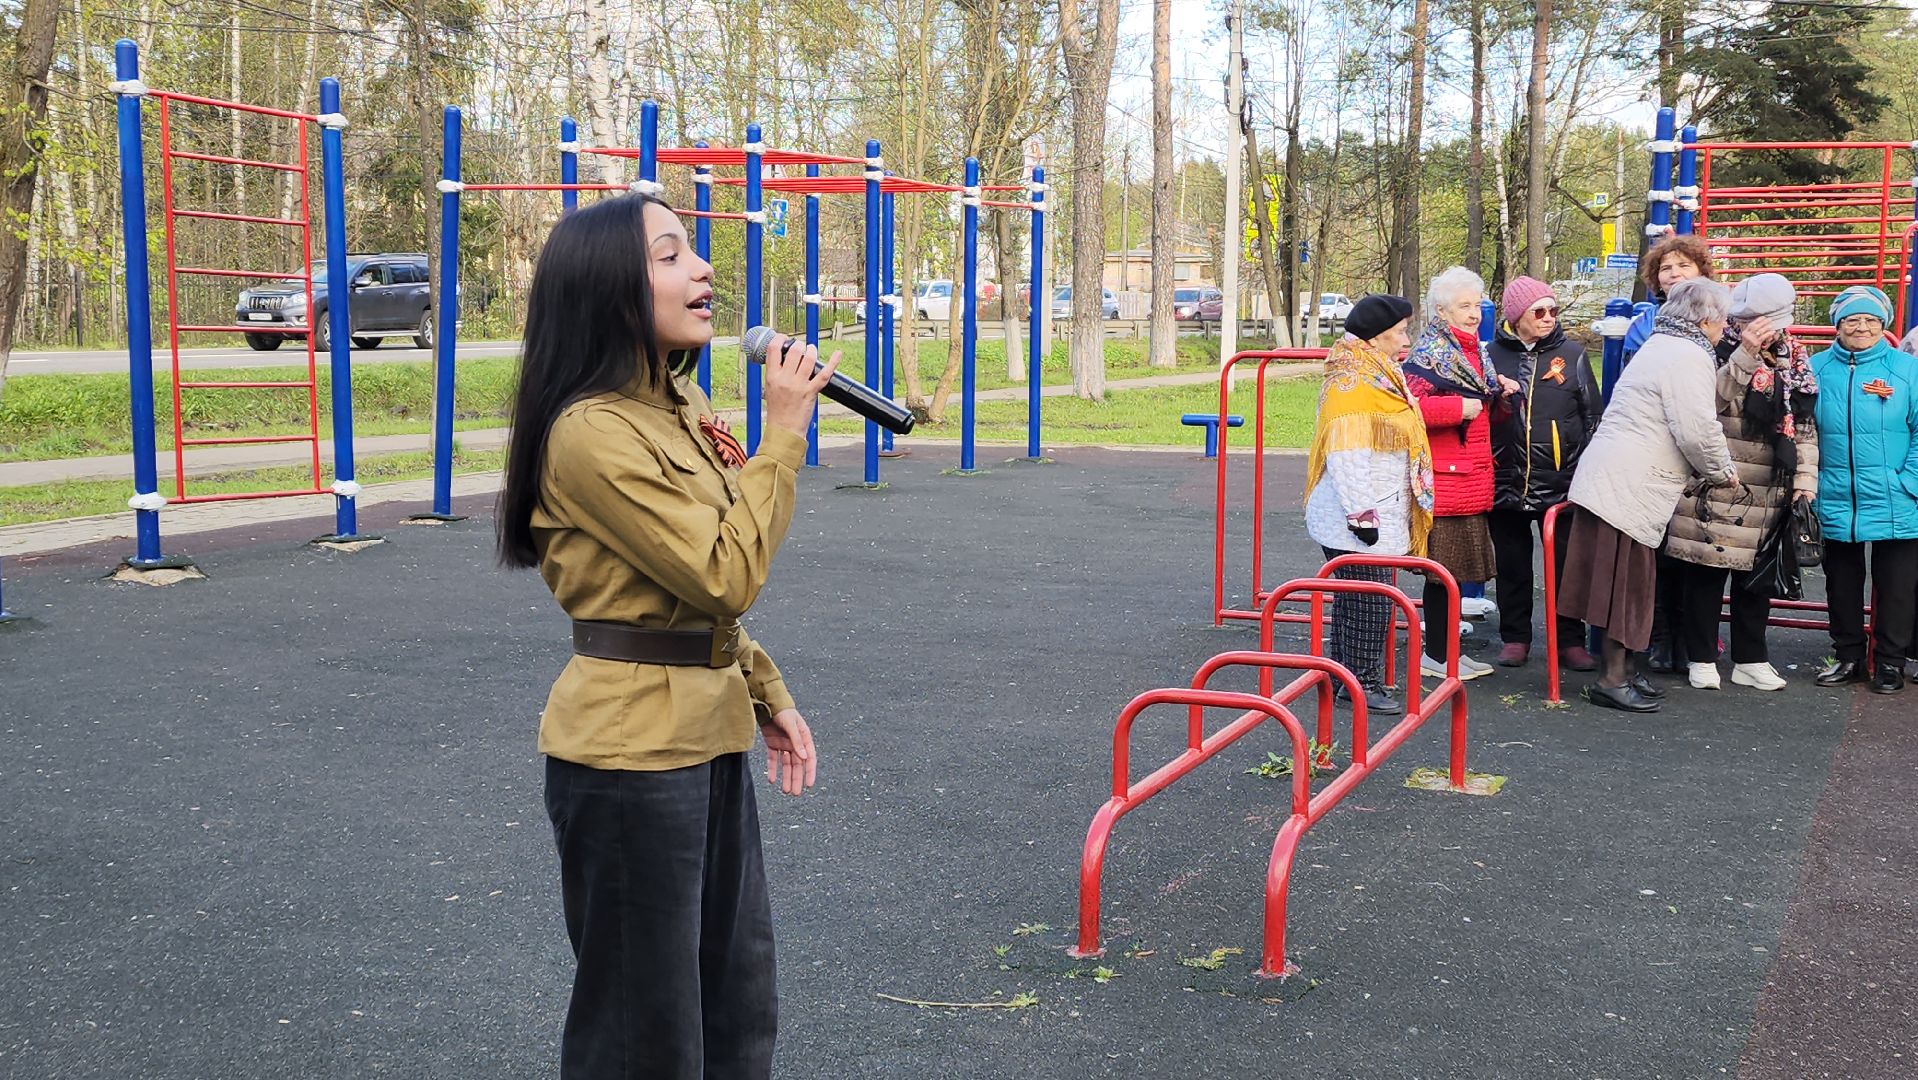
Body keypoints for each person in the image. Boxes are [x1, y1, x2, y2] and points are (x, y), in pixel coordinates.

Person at [494, 194, 836, 1079]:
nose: (703, 269)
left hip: (706, 736)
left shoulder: (678, 408)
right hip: (628, 758)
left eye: (693, 252)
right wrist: (784, 435)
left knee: (736, 1005)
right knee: (642, 1031)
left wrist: (768, 694)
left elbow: (695, 601)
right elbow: (726, 571)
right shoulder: (589, 432)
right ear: (609, 287)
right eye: (671, 254)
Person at [1560, 278, 1741, 711]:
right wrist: (1723, 471)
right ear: (1706, 319)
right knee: (1627, 586)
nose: (1724, 329)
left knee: (1627, 584)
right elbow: (1697, 429)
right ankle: (1613, 678)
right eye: (1723, 320)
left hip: (1616, 479)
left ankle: (1624, 671)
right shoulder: (1688, 355)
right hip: (1629, 485)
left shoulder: (1662, 346)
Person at [1663, 274, 1819, 691]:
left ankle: (1751, 657)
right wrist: (1746, 354)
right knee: (1705, 574)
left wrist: (1805, 479)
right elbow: (1708, 402)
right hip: (1717, 480)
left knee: (1757, 577)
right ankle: (1701, 658)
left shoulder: (1794, 357)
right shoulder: (1713, 349)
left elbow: (1802, 424)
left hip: (1771, 483)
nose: (1769, 331)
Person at [1304, 294, 1431, 716]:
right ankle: (1362, 682)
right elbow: (1348, 455)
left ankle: (1344, 677)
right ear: (1378, 336)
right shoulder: (1355, 383)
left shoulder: (1378, 371)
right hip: (1356, 517)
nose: (1406, 337)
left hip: (1373, 508)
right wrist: (1361, 516)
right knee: (1370, 599)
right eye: (1400, 331)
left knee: (1355, 597)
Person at [1404, 266, 1521, 681]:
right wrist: (1458, 409)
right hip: (1448, 480)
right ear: (1441, 310)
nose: (1473, 313)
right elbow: (1407, 410)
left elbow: (1483, 405)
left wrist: (1499, 396)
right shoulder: (1430, 354)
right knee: (1444, 573)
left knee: (1456, 574)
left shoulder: (1474, 352)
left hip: (1471, 476)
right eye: (1463, 306)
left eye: (1477, 305)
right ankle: (1436, 655)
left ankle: (1446, 650)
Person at [1485, 276, 1603, 670]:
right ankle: (1515, 636)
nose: (1549, 317)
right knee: (1512, 565)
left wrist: (1582, 467)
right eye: (1539, 311)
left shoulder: (1571, 355)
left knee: (1567, 567)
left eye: (1553, 310)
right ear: (1517, 316)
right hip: (1506, 479)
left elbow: (1592, 417)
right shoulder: (1490, 355)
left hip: (1561, 481)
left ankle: (1569, 639)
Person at [1808, 286, 1918, 694]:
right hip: (1834, 494)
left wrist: (1910, 482)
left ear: (1884, 324)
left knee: (1897, 586)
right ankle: (1849, 656)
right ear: (1837, 324)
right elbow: (1801, 429)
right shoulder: (1816, 368)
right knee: (1841, 582)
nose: (1862, 327)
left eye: (1871, 320)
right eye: (1852, 320)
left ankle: (1890, 662)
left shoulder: (1906, 369)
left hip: (1898, 498)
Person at [1623, 233, 1717, 359]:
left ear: (1701, 272)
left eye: (1684, 266)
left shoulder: (1719, 317)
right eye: (1666, 268)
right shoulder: (1644, 325)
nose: (1674, 274)